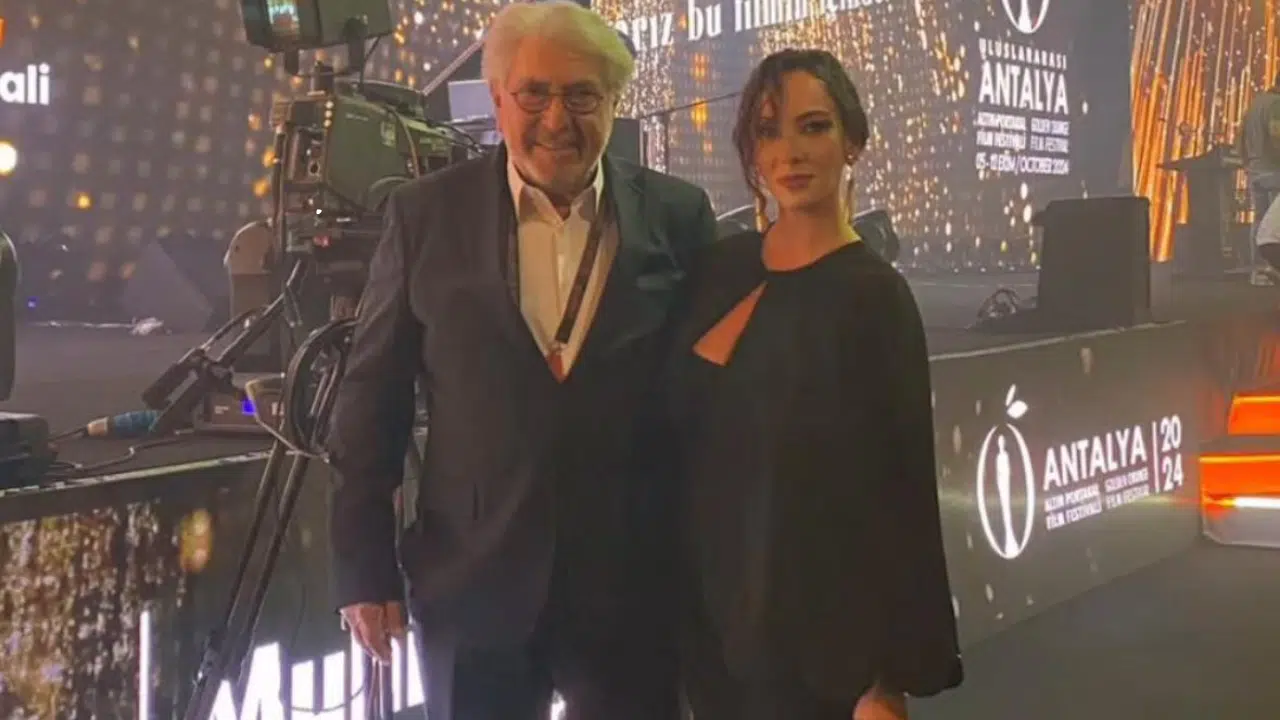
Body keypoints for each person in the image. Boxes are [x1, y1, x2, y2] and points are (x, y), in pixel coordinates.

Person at [325, 2, 717, 717]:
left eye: (582, 95)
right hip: (471, 586)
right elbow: (372, 402)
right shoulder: (424, 216)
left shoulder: (679, 216)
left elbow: (708, 408)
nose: (556, 119)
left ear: (615, 101)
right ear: (498, 97)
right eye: (534, 93)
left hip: (632, 594)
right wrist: (363, 568)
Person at [670, 49, 963, 720]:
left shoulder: (874, 298)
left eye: (814, 126)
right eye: (769, 131)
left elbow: (902, 490)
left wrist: (887, 678)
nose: (791, 152)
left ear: (852, 141)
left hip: (817, 643)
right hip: (707, 626)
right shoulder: (718, 268)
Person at [1239, 73, 1280, 284]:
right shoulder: (1276, 104)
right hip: (1274, 170)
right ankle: (1274, 268)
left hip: (1255, 170)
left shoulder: (1255, 104)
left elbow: (1240, 136)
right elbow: (1276, 135)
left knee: (1259, 222)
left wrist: (1246, 162)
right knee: (1275, 226)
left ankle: (1257, 271)